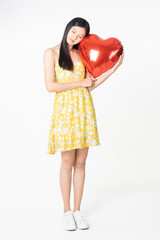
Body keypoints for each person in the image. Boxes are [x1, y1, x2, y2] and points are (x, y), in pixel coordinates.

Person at [43, 17, 124, 231]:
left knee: (81, 163)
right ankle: (66, 211)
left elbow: (90, 86)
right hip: (65, 114)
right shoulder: (51, 53)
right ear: (67, 28)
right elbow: (51, 86)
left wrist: (112, 70)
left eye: (80, 36)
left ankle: (78, 211)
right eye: (74, 32)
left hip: (84, 111)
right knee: (67, 162)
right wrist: (81, 82)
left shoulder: (81, 54)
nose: (75, 37)